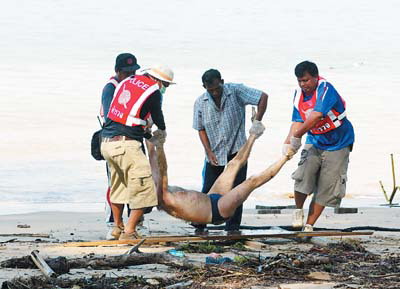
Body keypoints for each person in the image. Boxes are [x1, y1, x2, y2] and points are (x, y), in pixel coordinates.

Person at [147, 121, 295, 226]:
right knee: (252, 181)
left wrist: (149, 134)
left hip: (211, 198)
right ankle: (287, 156)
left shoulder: (155, 184)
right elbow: (163, 169)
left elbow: (153, 160)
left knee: (233, 165)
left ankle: (253, 134)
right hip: (217, 211)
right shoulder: (162, 197)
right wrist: (160, 146)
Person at [101, 55, 174, 240]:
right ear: (158, 80)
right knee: (145, 189)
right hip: (127, 146)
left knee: (119, 187)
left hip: (108, 143)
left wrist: (149, 135)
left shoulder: (126, 82)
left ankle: (117, 228)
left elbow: (127, 118)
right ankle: (130, 231)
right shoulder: (153, 91)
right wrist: (162, 131)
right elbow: (157, 116)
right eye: (165, 85)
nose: (163, 89)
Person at [192, 69, 269, 232]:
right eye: (210, 90)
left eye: (216, 88)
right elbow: (200, 129)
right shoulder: (200, 103)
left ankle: (233, 228)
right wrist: (208, 151)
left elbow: (262, 97)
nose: (214, 92)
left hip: (237, 151)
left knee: (237, 191)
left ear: (222, 81)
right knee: (207, 190)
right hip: (215, 154)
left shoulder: (235, 91)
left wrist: (258, 121)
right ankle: (200, 223)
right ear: (204, 87)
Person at [283, 60, 355, 232]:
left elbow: (316, 116)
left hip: (339, 142)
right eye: (300, 81)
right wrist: (288, 142)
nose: (303, 84)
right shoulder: (298, 95)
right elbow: (297, 120)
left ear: (315, 77)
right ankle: (298, 211)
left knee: (327, 185)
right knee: (303, 176)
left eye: (306, 80)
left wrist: (297, 135)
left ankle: (309, 226)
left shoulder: (325, 89)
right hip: (315, 140)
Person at [100, 53, 136, 240]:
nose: (130, 76)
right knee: (115, 183)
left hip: (132, 139)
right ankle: (113, 224)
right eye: (126, 72)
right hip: (114, 140)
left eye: (132, 72)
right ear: (117, 71)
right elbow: (109, 117)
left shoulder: (131, 87)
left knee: (135, 182)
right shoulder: (111, 88)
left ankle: (133, 223)